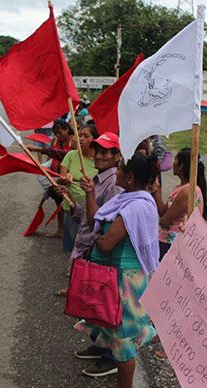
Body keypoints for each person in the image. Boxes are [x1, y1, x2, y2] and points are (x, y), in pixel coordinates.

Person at [74, 152, 160, 388]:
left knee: (123, 340)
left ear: (130, 178)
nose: (116, 172)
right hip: (115, 275)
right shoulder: (125, 199)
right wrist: (90, 193)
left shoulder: (134, 207)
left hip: (126, 281)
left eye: (120, 168)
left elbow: (105, 242)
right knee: (113, 329)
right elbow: (95, 222)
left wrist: (100, 238)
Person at [56, 132, 124, 377]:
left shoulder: (115, 183)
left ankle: (111, 356)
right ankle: (99, 346)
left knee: (103, 304)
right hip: (86, 246)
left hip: (99, 251)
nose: (100, 155)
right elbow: (85, 217)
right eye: (98, 150)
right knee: (92, 305)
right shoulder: (96, 179)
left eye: (107, 152)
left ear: (117, 156)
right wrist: (69, 200)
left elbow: (101, 223)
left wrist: (89, 195)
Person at [151, 147, 207, 261]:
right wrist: (157, 190)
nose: (173, 163)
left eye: (175, 161)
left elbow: (164, 221)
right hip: (170, 242)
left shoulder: (187, 192)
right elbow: (163, 212)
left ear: (181, 166)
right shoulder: (180, 188)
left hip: (173, 244)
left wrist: (163, 221)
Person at [27, 119, 76, 238]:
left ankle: (74, 233)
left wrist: (39, 149)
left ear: (67, 129)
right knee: (58, 202)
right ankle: (60, 230)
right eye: (56, 133)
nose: (58, 136)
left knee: (71, 206)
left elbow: (63, 155)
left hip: (69, 179)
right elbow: (52, 156)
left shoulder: (74, 141)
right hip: (56, 177)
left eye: (60, 132)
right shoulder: (55, 140)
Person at [57, 124, 99, 255]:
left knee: (87, 247)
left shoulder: (100, 160)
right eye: (80, 135)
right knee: (74, 244)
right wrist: (64, 180)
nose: (81, 139)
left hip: (91, 210)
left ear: (95, 139)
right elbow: (60, 179)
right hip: (71, 206)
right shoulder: (71, 155)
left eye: (86, 136)